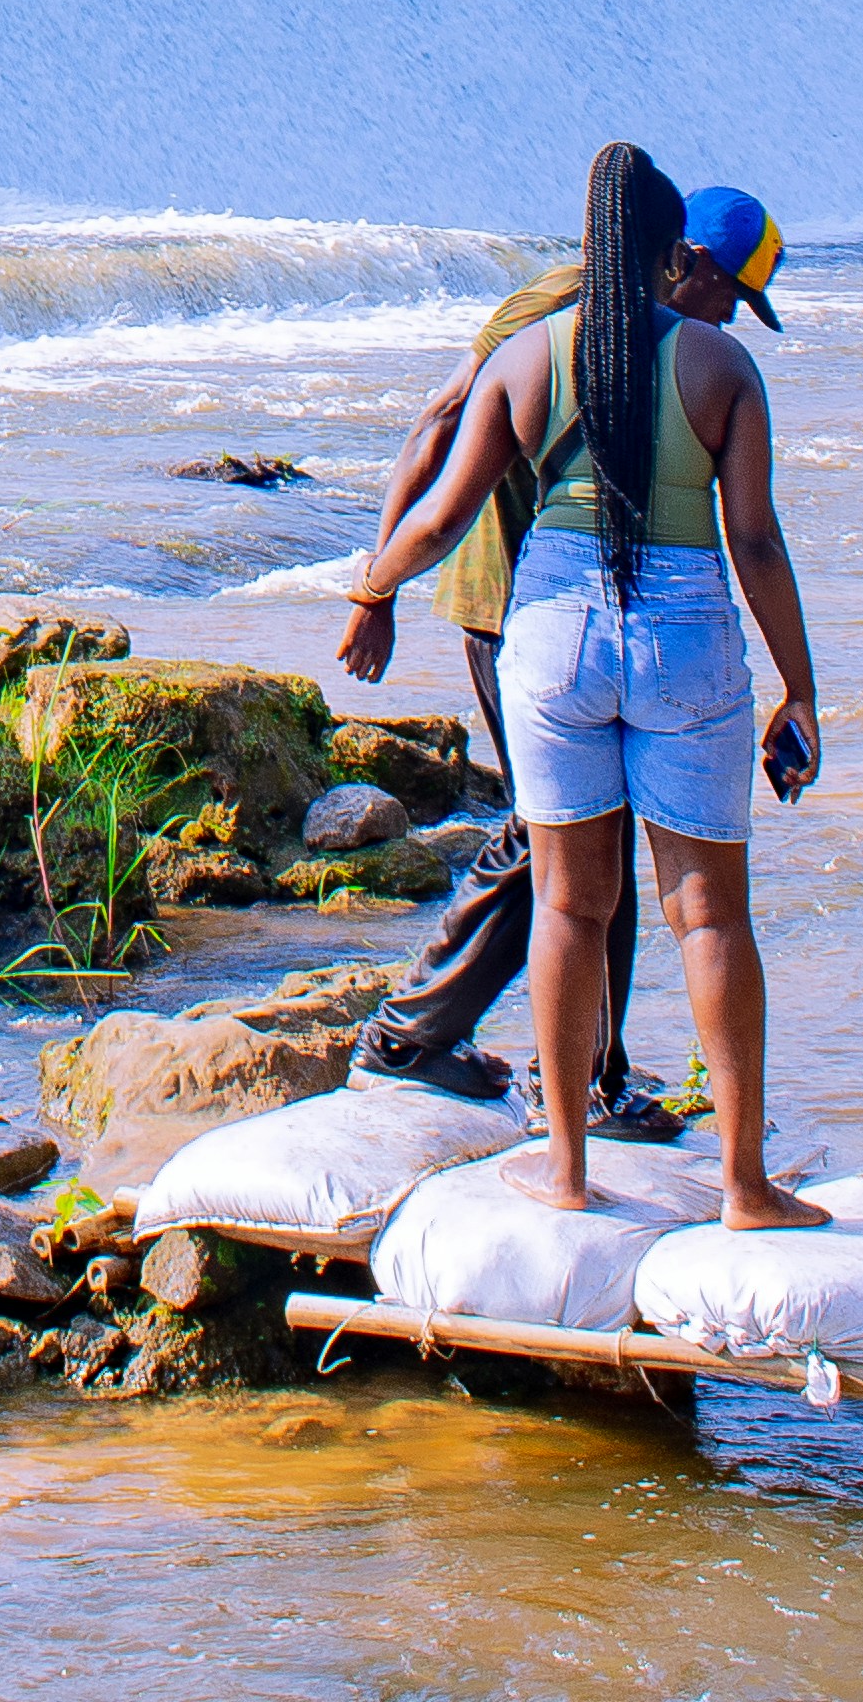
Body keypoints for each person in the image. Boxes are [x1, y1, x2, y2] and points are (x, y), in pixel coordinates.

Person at [340, 143, 828, 1225]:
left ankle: (564, 1167)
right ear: (670, 254)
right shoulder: (719, 367)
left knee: (567, 900)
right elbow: (753, 537)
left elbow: (441, 515)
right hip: (686, 632)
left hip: (550, 631)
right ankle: (746, 1186)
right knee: (708, 915)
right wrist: (800, 689)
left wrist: (368, 586)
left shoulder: (526, 355)